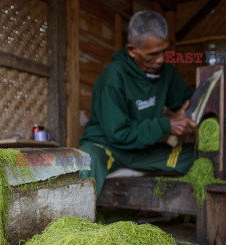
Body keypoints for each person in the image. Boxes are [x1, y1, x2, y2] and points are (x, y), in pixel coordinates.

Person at [79, 10, 196, 198]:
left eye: (164, 51)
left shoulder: (167, 72)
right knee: (87, 158)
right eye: (153, 54)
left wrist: (208, 113)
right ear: (133, 50)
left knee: (198, 156)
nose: (161, 59)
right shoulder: (113, 76)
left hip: (144, 151)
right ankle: (78, 223)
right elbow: (119, 133)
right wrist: (166, 124)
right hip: (108, 148)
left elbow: (188, 101)